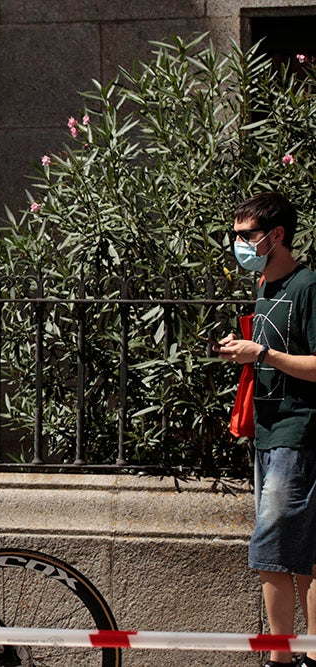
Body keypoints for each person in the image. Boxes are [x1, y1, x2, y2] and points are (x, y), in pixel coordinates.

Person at [218, 192, 316, 667]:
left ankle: (284, 658)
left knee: (275, 545)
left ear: (277, 235)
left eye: (246, 235)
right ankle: (294, 654)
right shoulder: (263, 288)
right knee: (296, 548)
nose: (238, 243)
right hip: (268, 431)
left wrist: (263, 355)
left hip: (298, 432)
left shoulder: (307, 286)